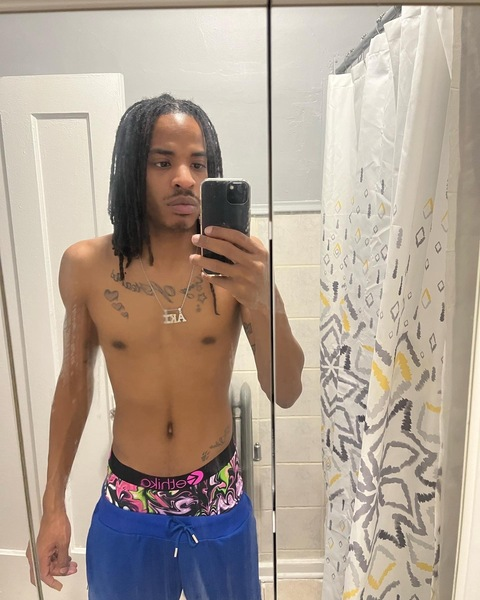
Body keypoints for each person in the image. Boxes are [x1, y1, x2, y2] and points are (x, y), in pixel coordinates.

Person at [26, 93, 304, 600]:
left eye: (198, 164)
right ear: (133, 171)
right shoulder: (86, 266)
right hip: (128, 497)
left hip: (218, 493)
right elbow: (74, 384)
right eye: (162, 162)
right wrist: (52, 505)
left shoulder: (238, 268)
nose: (183, 178)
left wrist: (266, 298)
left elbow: (286, 391)